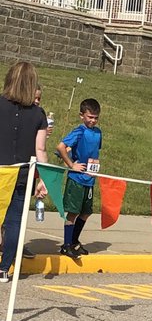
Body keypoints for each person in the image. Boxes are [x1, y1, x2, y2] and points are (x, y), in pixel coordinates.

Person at [0, 61, 48, 283]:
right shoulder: (39, 114)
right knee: (14, 221)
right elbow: (40, 149)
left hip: (1, 171)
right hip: (22, 174)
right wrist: (44, 179)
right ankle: (4, 268)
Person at [56, 97, 102, 259]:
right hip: (77, 178)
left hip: (90, 178)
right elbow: (61, 147)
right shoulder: (79, 131)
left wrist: (96, 165)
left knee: (86, 212)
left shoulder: (98, 133)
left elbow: (95, 152)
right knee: (73, 212)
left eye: (96, 117)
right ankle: (66, 244)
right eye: (90, 117)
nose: (93, 120)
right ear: (82, 115)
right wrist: (71, 164)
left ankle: (74, 241)